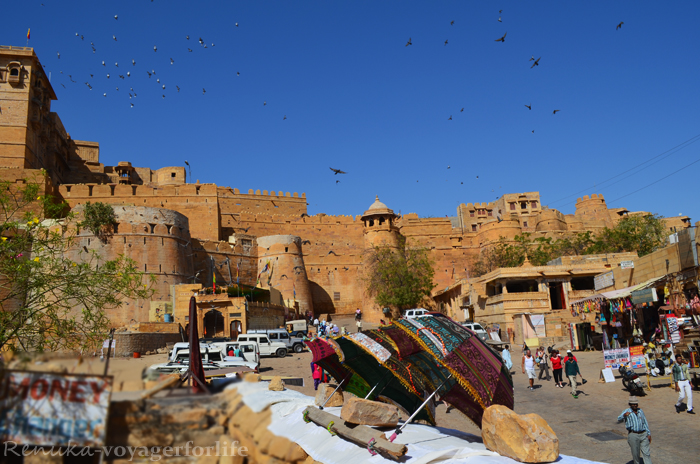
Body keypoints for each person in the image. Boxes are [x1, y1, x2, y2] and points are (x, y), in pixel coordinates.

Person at [617, 397, 652, 464]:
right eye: (633, 404)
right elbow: (619, 418)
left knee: (646, 453)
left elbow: (645, 422)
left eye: (636, 404)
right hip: (633, 435)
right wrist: (624, 415)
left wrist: (648, 433)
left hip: (643, 434)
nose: (635, 405)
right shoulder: (626, 411)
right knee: (636, 454)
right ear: (630, 404)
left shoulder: (640, 411)